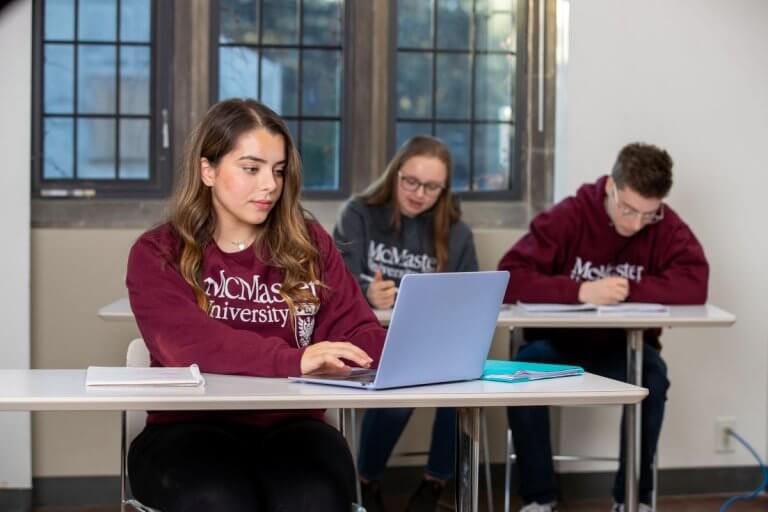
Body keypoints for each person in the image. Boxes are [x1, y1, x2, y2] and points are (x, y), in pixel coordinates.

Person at [125, 98, 386, 512]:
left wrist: (405, 348)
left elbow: (355, 330)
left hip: (293, 426)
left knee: (311, 498)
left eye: (278, 171)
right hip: (186, 428)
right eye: (251, 169)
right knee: (220, 500)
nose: (269, 185)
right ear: (207, 170)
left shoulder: (311, 244)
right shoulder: (158, 251)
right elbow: (185, 344)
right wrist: (294, 360)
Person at [497, 143, 709, 512]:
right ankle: (538, 498)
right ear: (611, 186)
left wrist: (626, 291)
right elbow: (510, 275)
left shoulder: (665, 224)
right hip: (558, 346)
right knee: (520, 371)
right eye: (628, 209)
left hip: (626, 350)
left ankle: (632, 499)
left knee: (653, 377)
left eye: (648, 214)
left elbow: (696, 283)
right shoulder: (573, 214)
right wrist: (580, 290)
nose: (634, 223)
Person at [333, 135, 479, 512]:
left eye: (431, 187)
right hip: (370, 336)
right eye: (410, 181)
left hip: (433, 342)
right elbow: (334, 280)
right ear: (395, 174)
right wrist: (366, 291)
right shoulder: (360, 213)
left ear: (444, 190)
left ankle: (435, 483)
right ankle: (366, 480)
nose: (418, 193)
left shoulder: (457, 233)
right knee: (397, 398)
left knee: (462, 392)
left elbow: (469, 296)